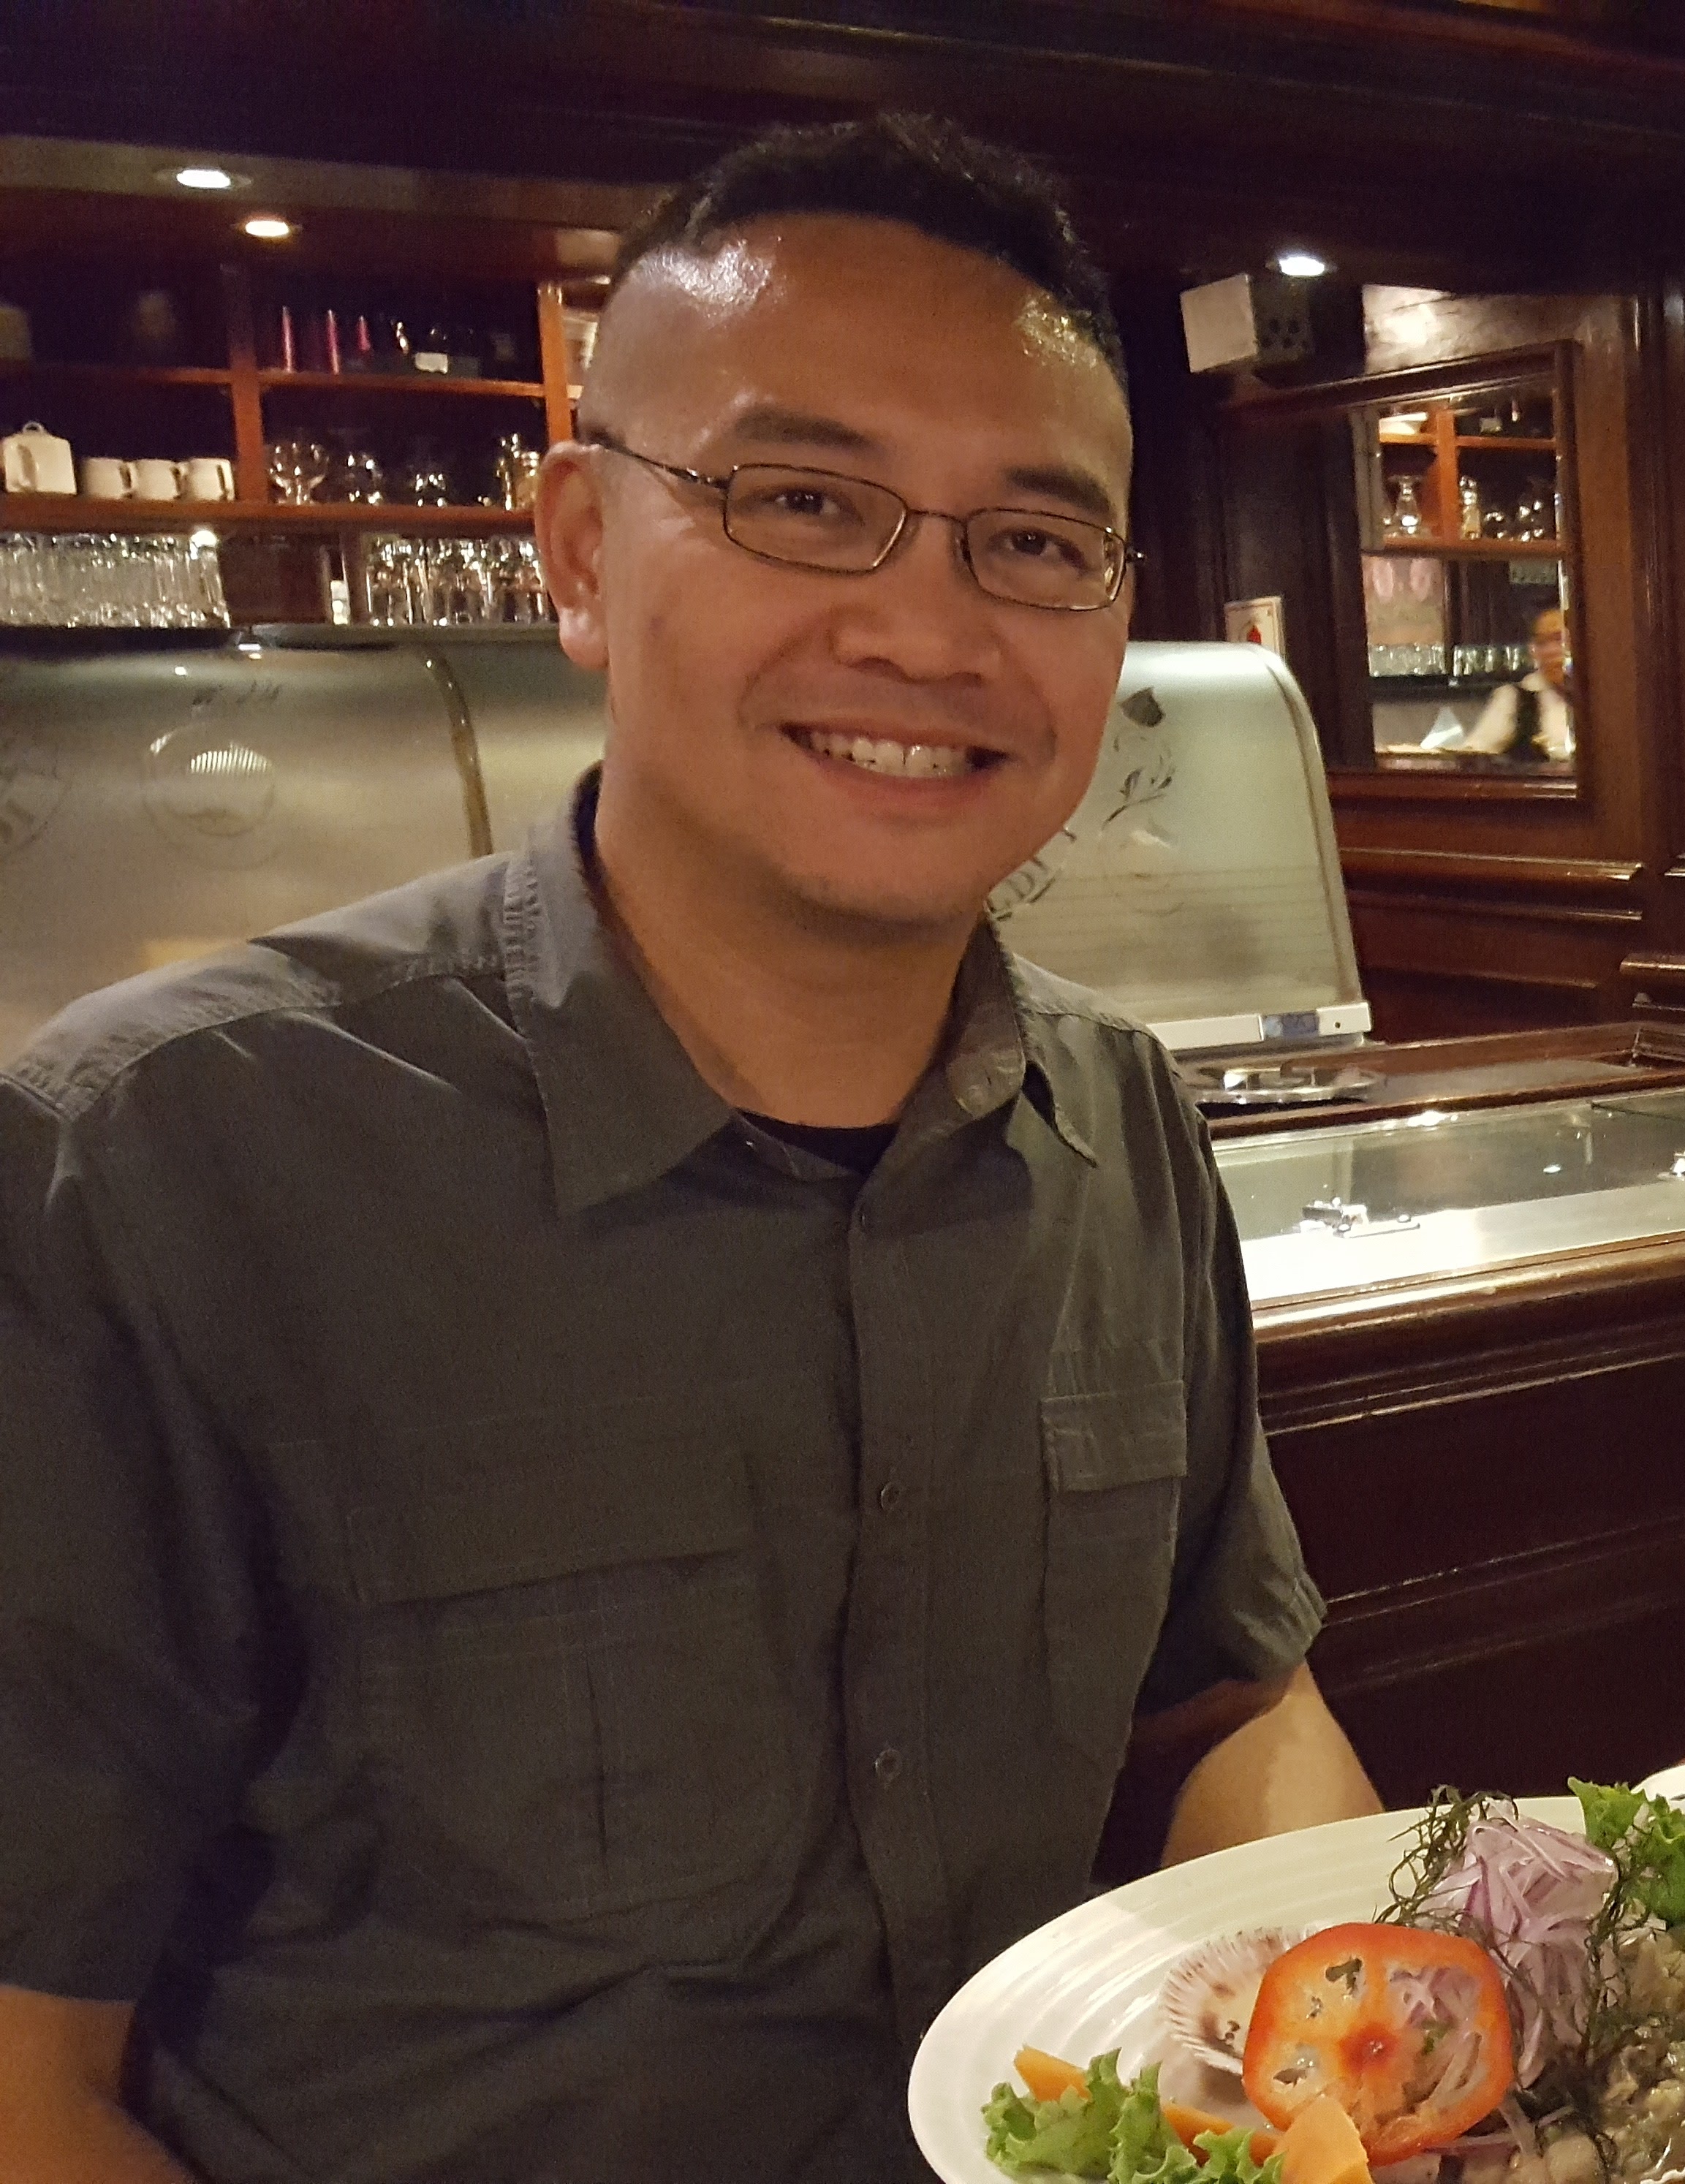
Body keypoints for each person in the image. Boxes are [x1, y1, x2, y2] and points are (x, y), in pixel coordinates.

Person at [0, 116, 1379, 2184]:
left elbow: (1228, 1697)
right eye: (803, 502)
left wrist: (1371, 2054)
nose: (928, 633)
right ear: (577, 550)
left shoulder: (1119, 1121)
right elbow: (27, 2079)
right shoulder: (157, 1168)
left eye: (1031, 540)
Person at [1459, 602, 1577, 764]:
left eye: (1559, 640)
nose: (1550, 651)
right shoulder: (1514, 699)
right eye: (1542, 643)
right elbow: (1474, 755)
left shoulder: (1603, 697)